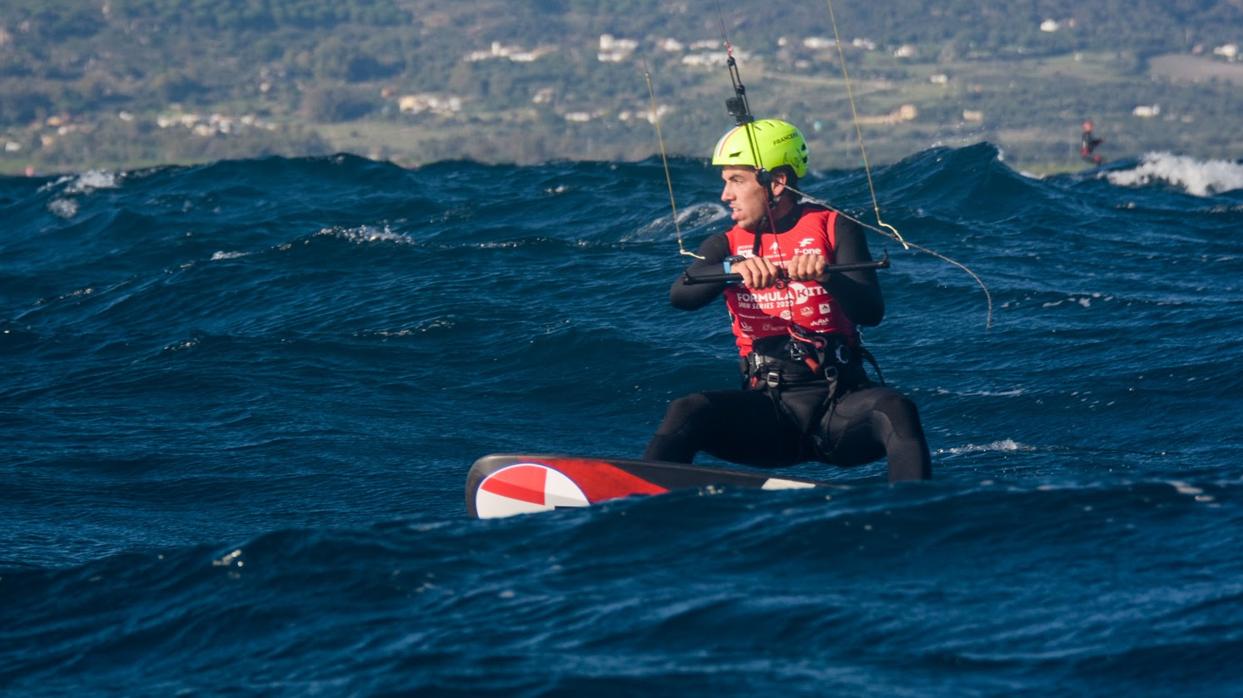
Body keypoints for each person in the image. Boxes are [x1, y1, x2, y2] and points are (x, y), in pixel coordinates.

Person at [643, 118, 931, 483]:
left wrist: (829, 276)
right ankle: (642, 502)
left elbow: (870, 311)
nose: (724, 196)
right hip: (770, 414)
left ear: (776, 182)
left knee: (896, 408)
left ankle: (915, 510)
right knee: (686, 410)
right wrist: (735, 267)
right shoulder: (725, 244)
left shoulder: (834, 226)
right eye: (725, 182)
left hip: (839, 408)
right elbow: (680, 295)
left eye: (737, 181)